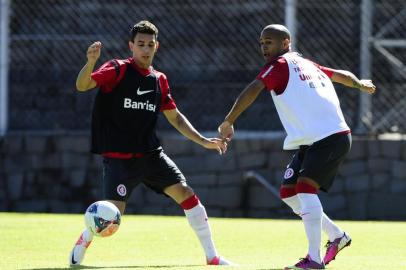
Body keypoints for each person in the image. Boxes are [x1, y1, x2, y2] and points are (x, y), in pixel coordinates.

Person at [70, 20, 234, 267]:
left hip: (151, 156)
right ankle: (82, 244)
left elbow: (176, 117)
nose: (145, 49)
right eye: (140, 44)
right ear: (131, 46)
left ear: (156, 46)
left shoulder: (159, 79)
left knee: (188, 195)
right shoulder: (117, 69)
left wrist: (203, 141)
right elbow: (82, 85)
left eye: (150, 44)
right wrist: (90, 61)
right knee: (110, 217)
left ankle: (212, 257)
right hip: (120, 160)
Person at [218, 24, 376, 270]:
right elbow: (339, 74)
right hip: (312, 141)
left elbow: (254, 88)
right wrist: (359, 84)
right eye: (261, 42)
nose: (264, 47)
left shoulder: (279, 65)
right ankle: (336, 236)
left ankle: (313, 260)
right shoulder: (307, 64)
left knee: (304, 189)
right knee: (289, 193)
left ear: (285, 42)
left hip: (331, 137)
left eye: (269, 41)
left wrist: (229, 120)